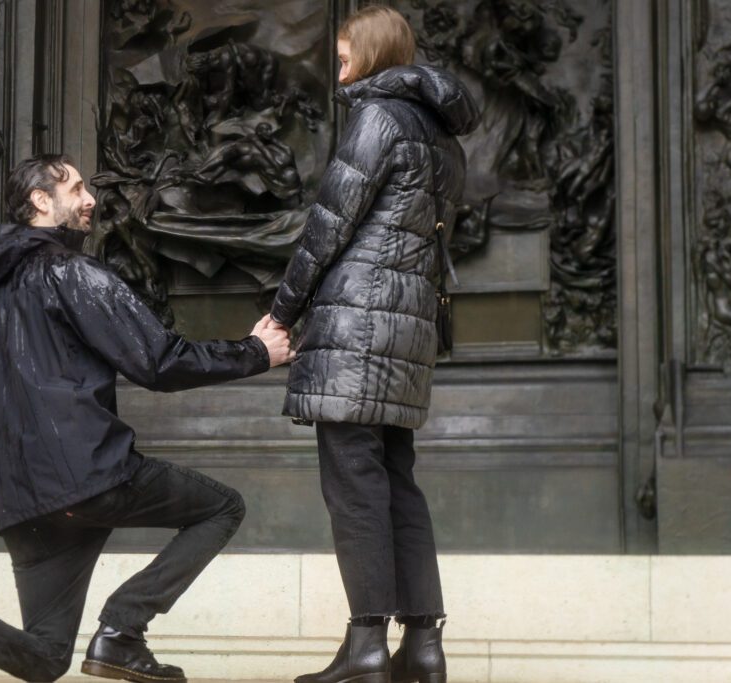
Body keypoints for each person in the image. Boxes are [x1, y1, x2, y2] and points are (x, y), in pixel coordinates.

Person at [0, 154, 293, 683]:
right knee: (222, 508)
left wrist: (28, 461)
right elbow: (158, 361)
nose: (90, 198)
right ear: (41, 202)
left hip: (25, 501)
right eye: (75, 188)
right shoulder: (71, 272)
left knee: (45, 658)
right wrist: (256, 352)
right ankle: (122, 630)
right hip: (91, 477)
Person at [268, 7, 479, 683]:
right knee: (397, 485)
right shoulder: (444, 138)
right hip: (406, 332)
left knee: (355, 488)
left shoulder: (379, 119)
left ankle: (364, 649)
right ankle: (423, 647)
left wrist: (281, 312)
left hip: (356, 331)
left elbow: (329, 224)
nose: (337, 68)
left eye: (341, 56)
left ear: (369, 53)